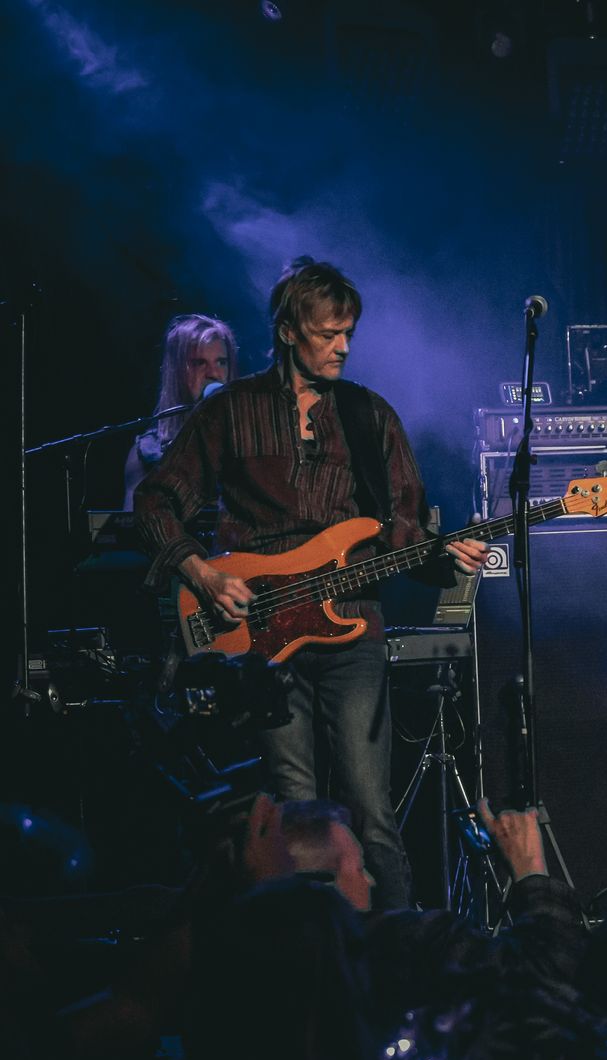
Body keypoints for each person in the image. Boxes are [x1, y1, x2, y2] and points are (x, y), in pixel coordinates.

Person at [134, 257, 487, 910]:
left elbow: (402, 534)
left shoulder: (370, 416)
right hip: (259, 637)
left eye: (349, 332)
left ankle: (396, 956)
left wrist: (449, 559)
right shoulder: (230, 412)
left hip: (351, 629)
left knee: (368, 808)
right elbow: (155, 500)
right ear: (290, 328)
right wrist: (202, 572)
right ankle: (302, 960)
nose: (344, 346)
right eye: (329, 333)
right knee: (293, 810)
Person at [123, 313, 237, 507]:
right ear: (177, 372)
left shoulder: (255, 438)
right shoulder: (147, 452)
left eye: (221, 362)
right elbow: (129, 529)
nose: (214, 374)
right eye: (199, 363)